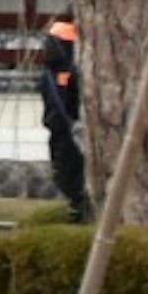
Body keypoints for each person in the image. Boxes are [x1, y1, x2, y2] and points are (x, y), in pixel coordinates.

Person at [41, 21, 87, 220]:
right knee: (72, 173)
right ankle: (78, 206)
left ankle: (76, 207)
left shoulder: (48, 75)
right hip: (71, 131)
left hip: (60, 131)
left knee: (66, 173)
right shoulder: (74, 72)